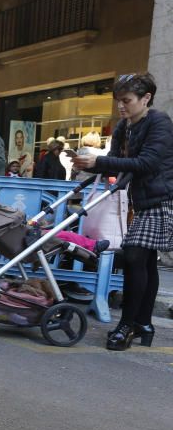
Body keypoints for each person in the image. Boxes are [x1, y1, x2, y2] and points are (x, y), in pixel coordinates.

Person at [72, 72, 173, 351]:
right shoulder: (123, 127)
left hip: (163, 199)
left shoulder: (159, 122)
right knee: (145, 262)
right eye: (119, 101)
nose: (121, 106)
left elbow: (148, 162)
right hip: (141, 201)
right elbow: (117, 165)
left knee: (133, 254)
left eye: (127, 100)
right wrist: (88, 165)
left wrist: (100, 160)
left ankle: (127, 325)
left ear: (146, 98)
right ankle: (143, 323)